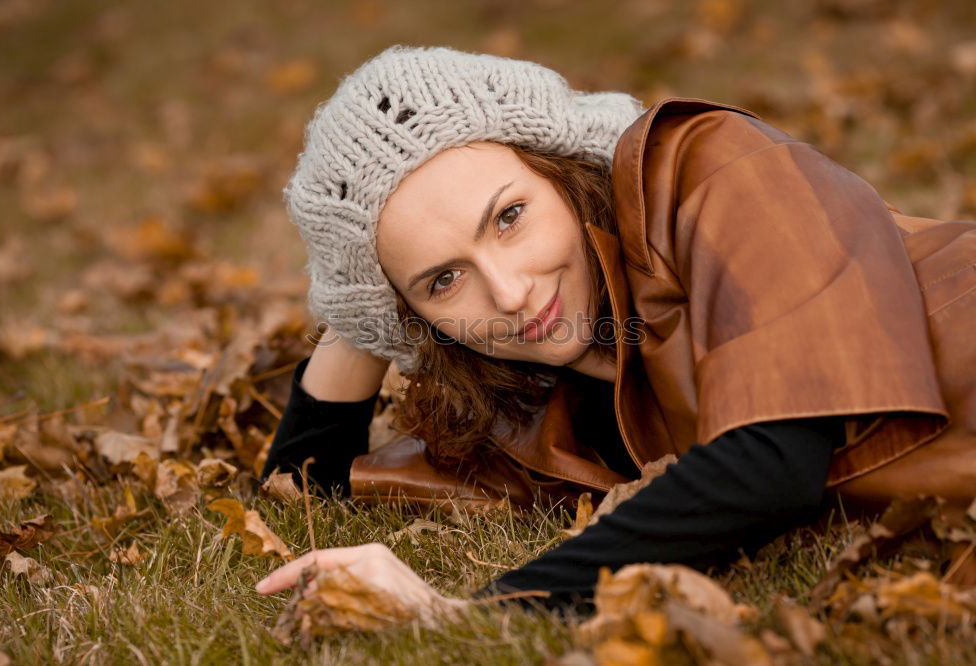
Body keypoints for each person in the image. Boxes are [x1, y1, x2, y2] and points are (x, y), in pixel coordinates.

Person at [254, 45, 976, 617]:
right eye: (445, 279)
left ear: (564, 173)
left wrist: (474, 610)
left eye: (510, 217)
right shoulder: (536, 412)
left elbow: (771, 462)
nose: (508, 293)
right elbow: (304, 489)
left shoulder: (712, 165)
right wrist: (367, 306)